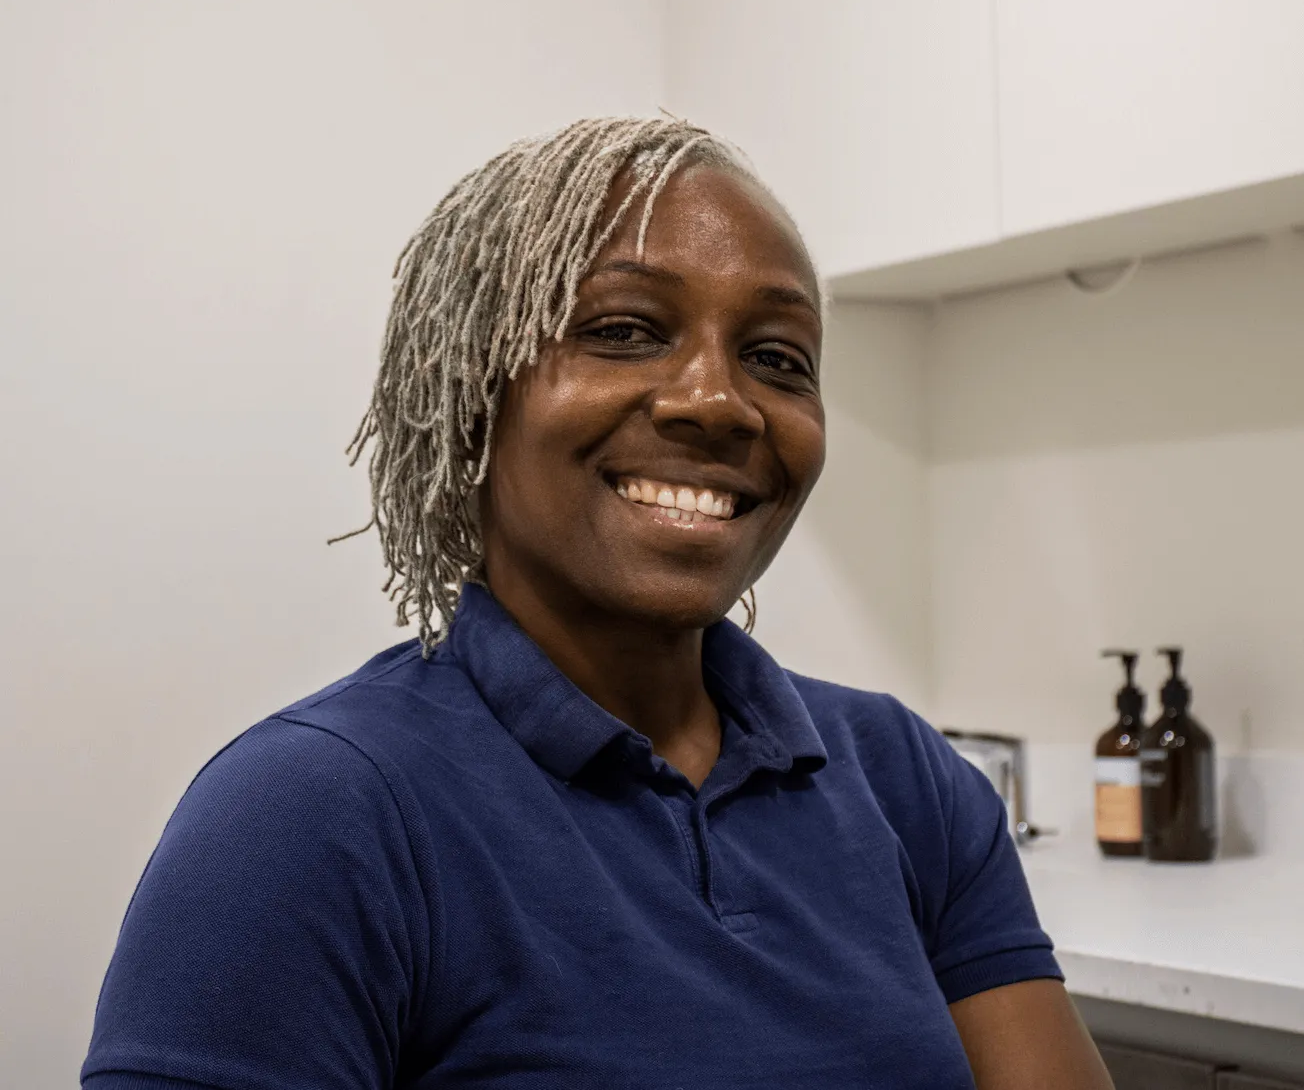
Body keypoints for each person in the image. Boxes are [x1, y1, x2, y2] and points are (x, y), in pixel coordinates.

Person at [83, 116, 1112, 1089]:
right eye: (623, 329)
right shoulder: (308, 812)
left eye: (774, 357)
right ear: (464, 394)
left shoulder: (901, 775)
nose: (716, 400)